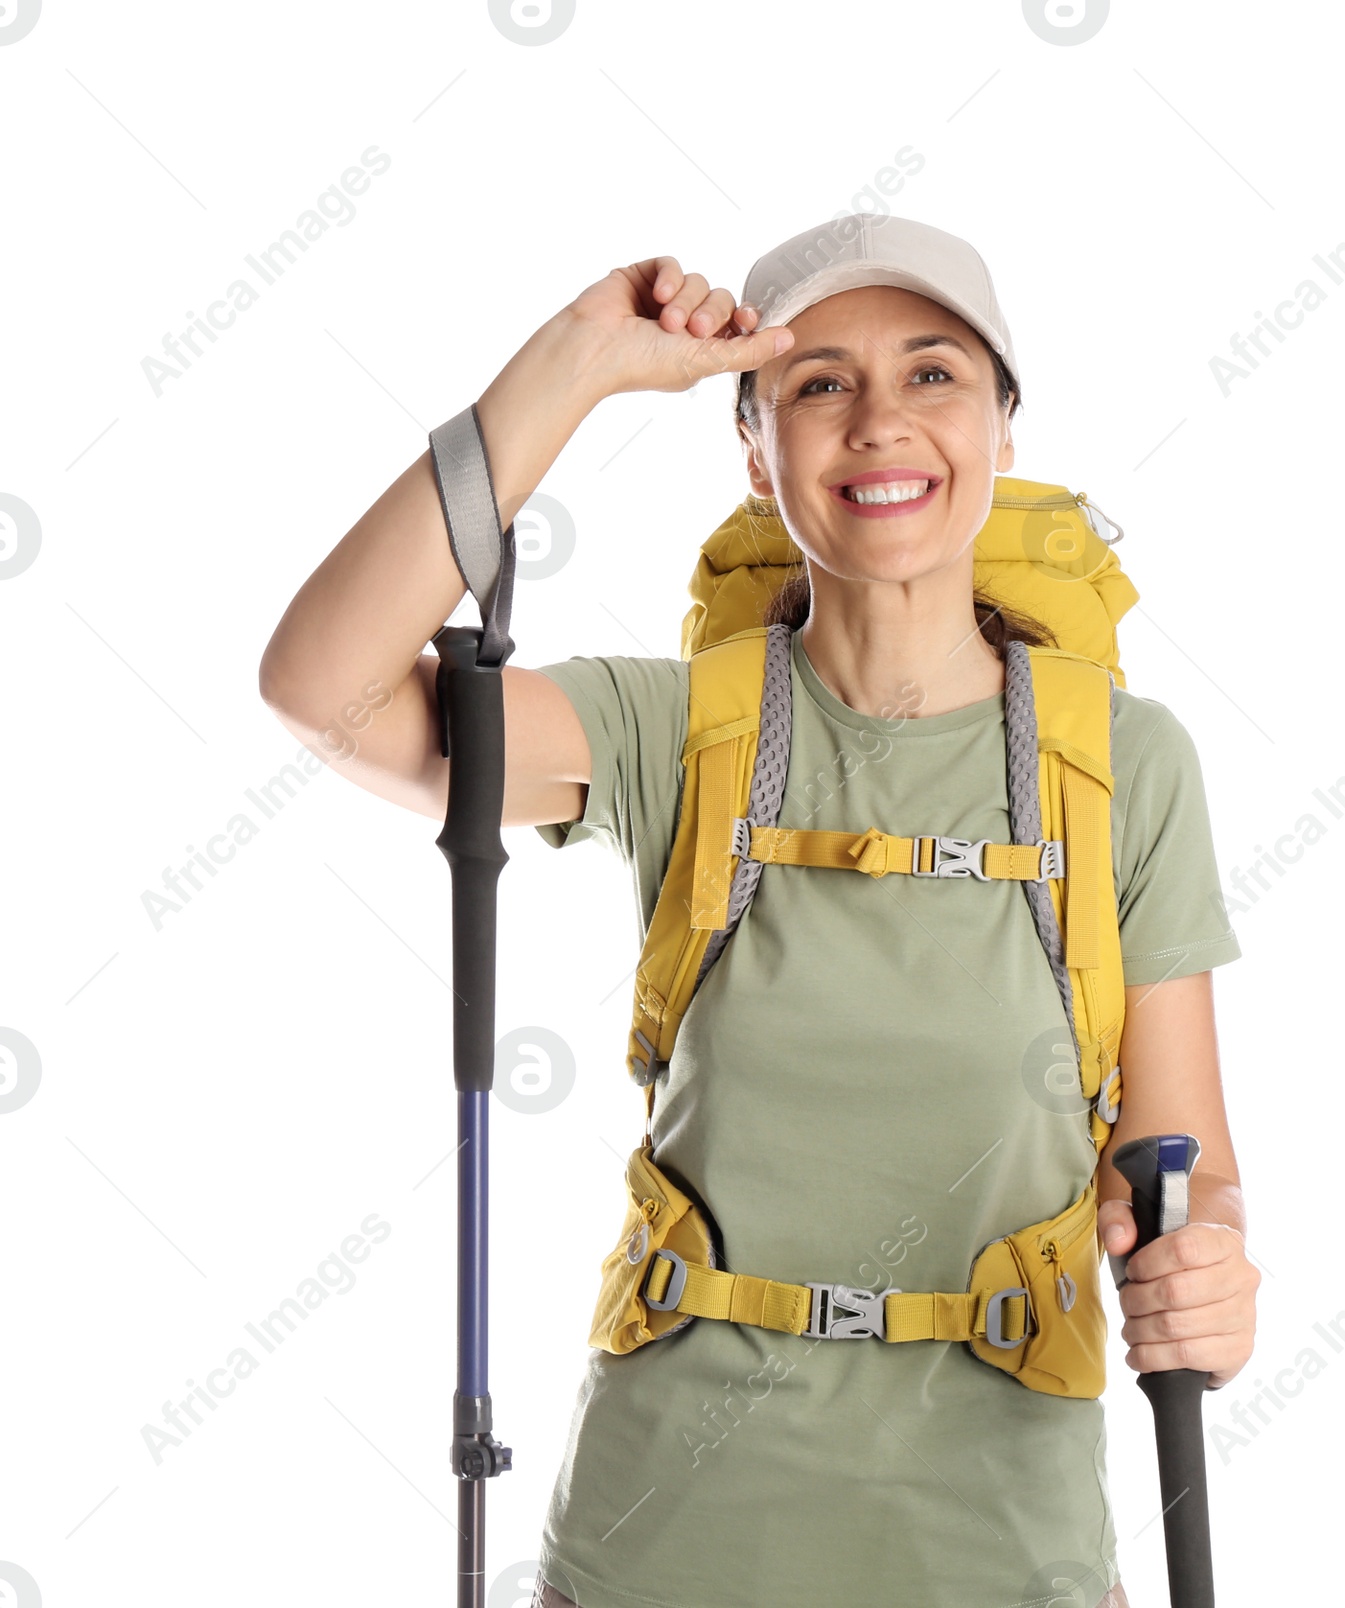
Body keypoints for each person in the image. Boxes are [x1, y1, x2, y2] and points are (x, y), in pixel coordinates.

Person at [259, 214, 1260, 1608]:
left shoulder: (1120, 764)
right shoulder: (681, 732)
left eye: (932, 375)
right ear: (754, 451)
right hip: (664, 1548)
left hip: (1006, 1555)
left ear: (1002, 430)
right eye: (818, 384)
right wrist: (571, 367)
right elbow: (329, 688)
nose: (878, 423)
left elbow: (1177, 1165)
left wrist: (1208, 1253)